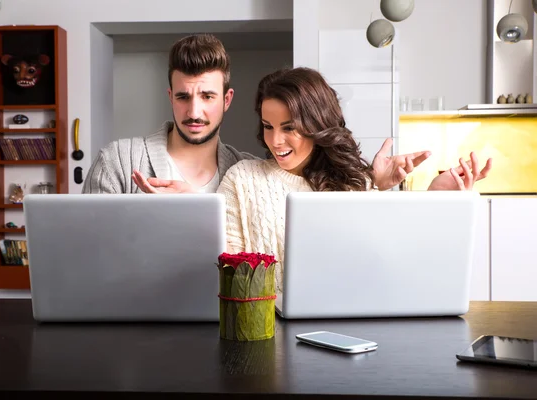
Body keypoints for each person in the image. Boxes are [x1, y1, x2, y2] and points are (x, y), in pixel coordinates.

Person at [214, 67, 493, 293]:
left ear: (317, 125)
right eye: (267, 126)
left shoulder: (354, 184)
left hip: (349, 329)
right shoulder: (242, 179)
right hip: (267, 334)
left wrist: (434, 200)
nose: (275, 140)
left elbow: (394, 268)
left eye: (290, 128)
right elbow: (229, 282)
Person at [83, 33, 430, 195]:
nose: (194, 111)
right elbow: (87, 255)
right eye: (183, 96)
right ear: (169, 96)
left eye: (207, 95)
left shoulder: (247, 171)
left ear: (227, 98)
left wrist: (376, 185)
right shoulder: (118, 160)